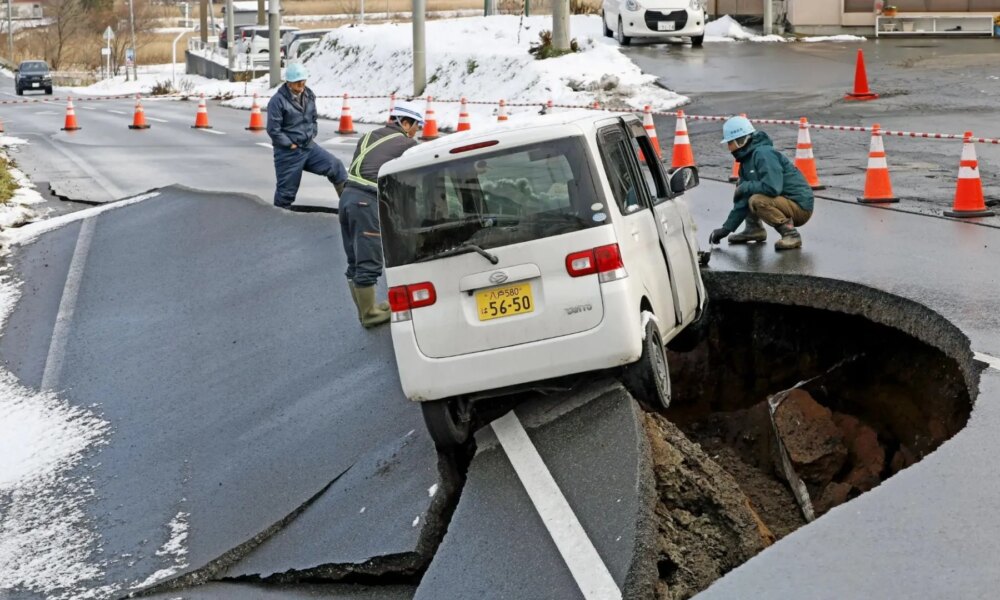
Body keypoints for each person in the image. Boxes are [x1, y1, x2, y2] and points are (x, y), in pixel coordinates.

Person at [340, 100, 424, 328]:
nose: (417, 132)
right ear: (405, 123)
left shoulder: (367, 136)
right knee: (369, 256)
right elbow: (407, 184)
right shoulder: (406, 144)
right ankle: (370, 315)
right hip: (366, 202)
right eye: (417, 126)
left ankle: (365, 310)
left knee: (354, 258)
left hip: (347, 198)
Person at [709, 116, 814, 251]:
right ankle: (754, 230)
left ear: (740, 141)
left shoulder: (763, 154)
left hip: (800, 207)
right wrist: (725, 229)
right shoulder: (746, 161)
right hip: (785, 203)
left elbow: (772, 188)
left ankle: (791, 234)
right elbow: (742, 201)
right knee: (746, 190)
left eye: (730, 142)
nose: (729, 148)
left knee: (756, 199)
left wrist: (745, 187)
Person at [266, 63, 348, 209]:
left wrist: (312, 133)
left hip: (309, 147)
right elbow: (273, 130)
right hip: (288, 153)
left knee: (336, 167)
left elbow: (313, 118)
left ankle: (349, 208)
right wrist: (289, 144)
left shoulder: (309, 95)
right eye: (298, 82)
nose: (301, 84)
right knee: (285, 194)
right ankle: (277, 221)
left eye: (303, 81)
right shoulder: (277, 101)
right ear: (289, 82)